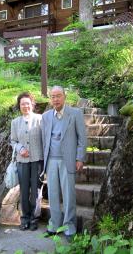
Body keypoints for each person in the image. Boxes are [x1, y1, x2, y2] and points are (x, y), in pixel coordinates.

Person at [41, 86, 86, 241]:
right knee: (52, 194)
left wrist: (80, 158)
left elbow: (82, 138)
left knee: (69, 194)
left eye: (58, 96)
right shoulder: (46, 116)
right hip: (51, 160)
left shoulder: (75, 114)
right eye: (53, 96)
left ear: (64, 97)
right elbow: (43, 139)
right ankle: (54, 224)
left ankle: (69, 226)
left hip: (68, 159)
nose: (55, 99)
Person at [10, 92, 43, 231]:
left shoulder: (40, 119)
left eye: (27, 103)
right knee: (23, 190)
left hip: (37, 159)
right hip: (22, 160)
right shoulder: (15, 122)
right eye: (22, 104)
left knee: (36, 190)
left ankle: (34, 218)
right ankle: (24, 218)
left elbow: (45, 138)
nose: (25, 106)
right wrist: (20, 148)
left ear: (32, 104)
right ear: (19, 105)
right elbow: (13, 141)